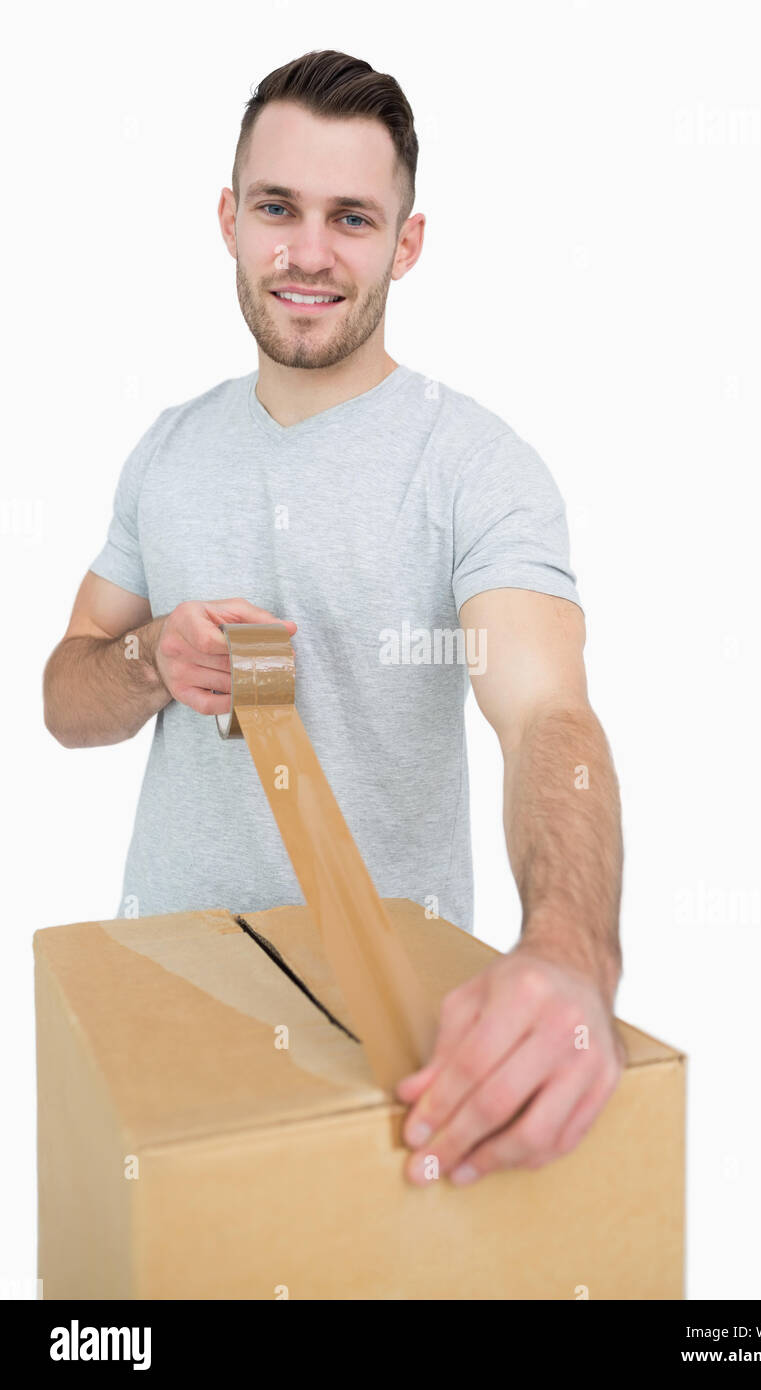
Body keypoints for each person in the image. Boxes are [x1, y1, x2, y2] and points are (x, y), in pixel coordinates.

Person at [43, 49, 626, 1187]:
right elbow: (66, 698)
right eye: (278, 208)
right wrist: (151, 659)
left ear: (405, 244)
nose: (307, 253)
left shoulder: (473, 467)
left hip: (382, 1037)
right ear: (228, 218)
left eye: (351, 218)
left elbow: (546, 713)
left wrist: (568, 953)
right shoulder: (165, 449)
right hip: (161, 1003)